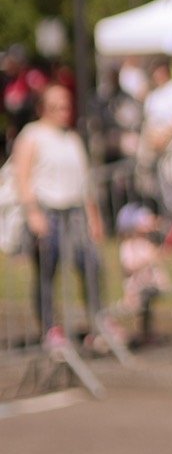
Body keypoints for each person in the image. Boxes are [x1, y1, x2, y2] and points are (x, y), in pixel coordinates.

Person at [12, 83, 122, 352]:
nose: (63, 110)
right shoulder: (32, 135)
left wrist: (94, 218)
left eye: (66, 104)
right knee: (48, 272)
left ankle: (98, 321)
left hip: (74, 212)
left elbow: (84, 184)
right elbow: (22, 177)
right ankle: (50, 327)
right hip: (48, 210)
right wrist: (33, 213)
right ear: (44, 108)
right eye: (57, 106)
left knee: (91, 264)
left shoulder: (72, 138)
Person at [136, 55, 172, 215]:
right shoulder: (153, 97)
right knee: (165, 193)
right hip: (158, 152)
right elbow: (148, 124)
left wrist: (166, 135)